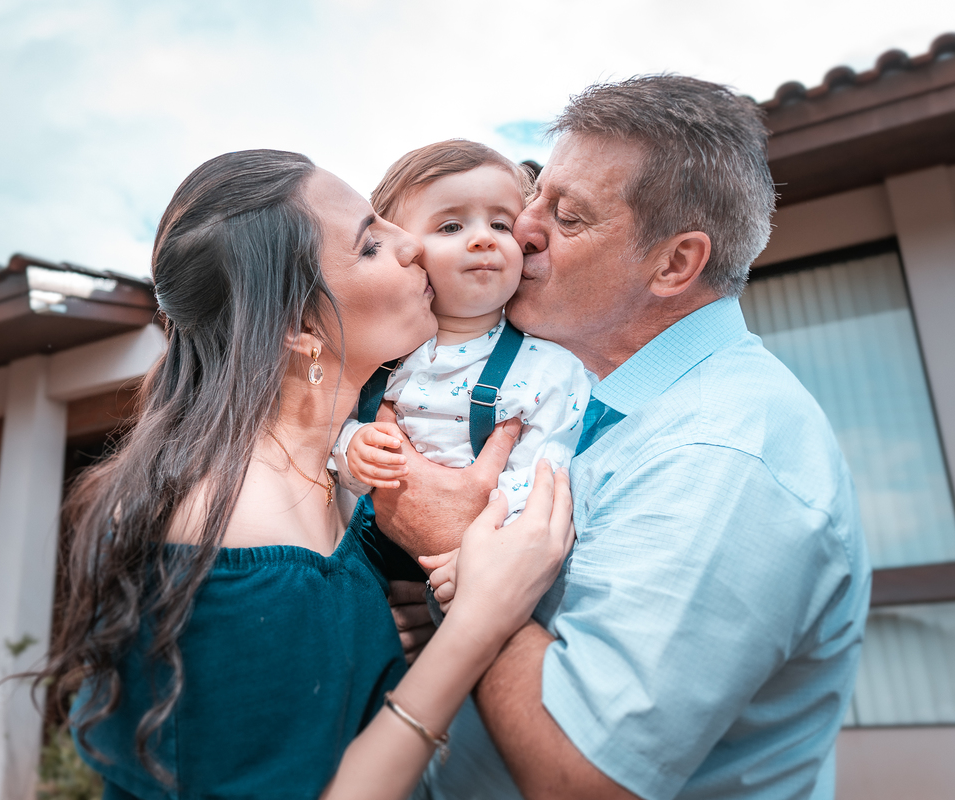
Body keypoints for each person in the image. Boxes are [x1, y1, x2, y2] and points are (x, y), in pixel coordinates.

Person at [374, 76, 873, 800]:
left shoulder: (717, 454)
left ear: (674, 265)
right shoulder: (592, 402)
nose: (523, 229)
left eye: (567, 217)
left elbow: (586, 780)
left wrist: (458, 551)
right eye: (535, 195)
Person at [36, 149, 575, 800]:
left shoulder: (341, 481)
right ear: (299, 328)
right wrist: (476, 625)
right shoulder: (241, 536)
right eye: (371, 245)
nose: (411, 245)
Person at [331, 140, 590, 526]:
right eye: (451, 226)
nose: (483, 238)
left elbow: (541, 482)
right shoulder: (370, 352)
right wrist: (350, 445)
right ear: (404, 249)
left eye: (501, 224)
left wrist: (478, 550)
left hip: (478, 550)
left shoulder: (550, 371)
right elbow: (322, 428)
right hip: (368, 553)